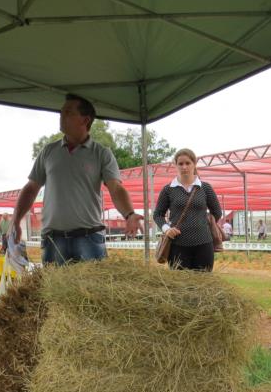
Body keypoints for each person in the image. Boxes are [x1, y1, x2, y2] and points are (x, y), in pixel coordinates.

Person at [11, 94, 142, 265]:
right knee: (53, 292)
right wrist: (15, 220)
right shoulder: (48, 152)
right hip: (53, 240)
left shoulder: (101, 153)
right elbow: (31, 188)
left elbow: (116, 188)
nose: (61, 115)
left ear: (85, 119)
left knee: (93, 291)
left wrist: (129, 214)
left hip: (89, 239)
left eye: (68, 112)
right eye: (62, 111)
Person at [153, 148, 223, 271]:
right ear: (175, 165)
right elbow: (158, 214)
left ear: (194, 164)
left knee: (203, 284)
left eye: (188, 163)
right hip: (177, 245)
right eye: (180, 164)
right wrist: (167, 229)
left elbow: (217, 211)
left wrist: (203, 224)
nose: (184, 167)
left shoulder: (205, 188)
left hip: (204, 244)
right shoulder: (168, 190)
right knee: (180, 286)